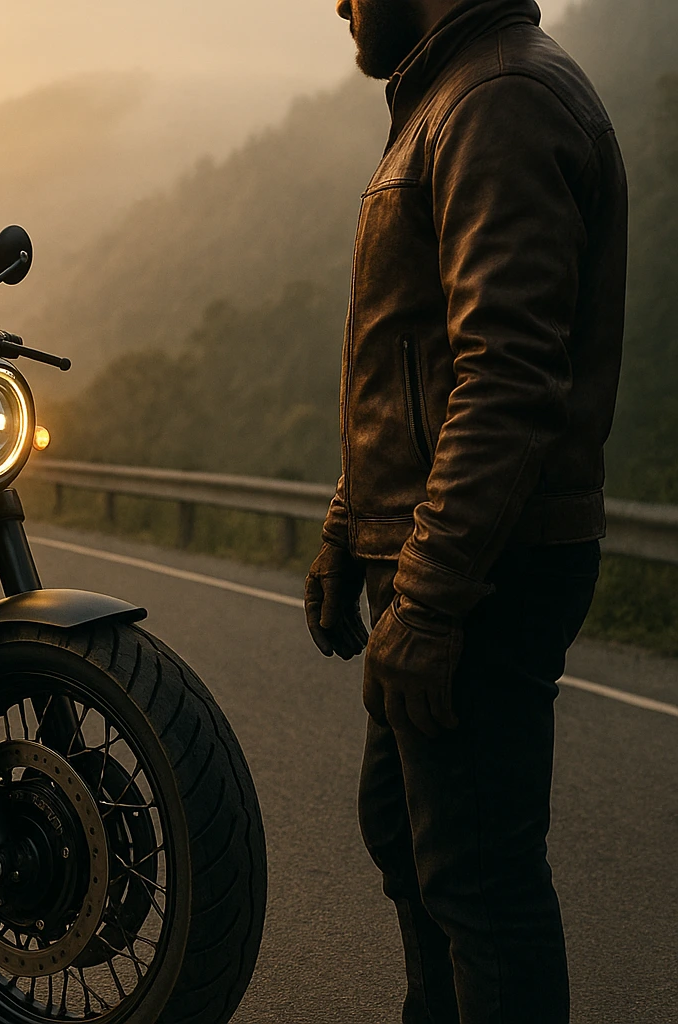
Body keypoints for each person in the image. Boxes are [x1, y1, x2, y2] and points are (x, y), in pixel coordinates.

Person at [304, 1, 627, 1021]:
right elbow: (413, 361)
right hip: (439, 544)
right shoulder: (452, 96)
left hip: (487, 558)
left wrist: (435, 601)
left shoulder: (500, 100)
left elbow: (507, 377)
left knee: (479, 881)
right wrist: (346, 523)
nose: (340, 3)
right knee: (410, 838)